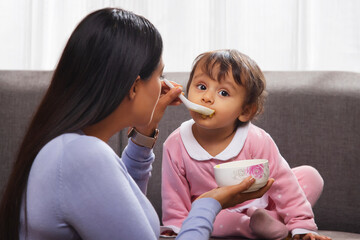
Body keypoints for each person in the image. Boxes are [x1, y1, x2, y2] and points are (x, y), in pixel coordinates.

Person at [0, 8, 274, 240]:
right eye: (159, 74)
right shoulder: (83, 156)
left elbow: (123, 207)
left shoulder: (72, 147)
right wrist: (208, 203)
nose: (166, 85)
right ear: (133, 87)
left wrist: (144, 135)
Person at [161, 49, 332, 240]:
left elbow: (283, 183)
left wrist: (302, 226)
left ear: (245, 111)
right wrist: (175, 226)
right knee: (210, 218)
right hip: (218, 211)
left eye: (223, 92)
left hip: (261, 201)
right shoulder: (175, 144)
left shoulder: (257, 139)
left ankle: (272, 220)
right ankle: (255, 227)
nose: (207, 97)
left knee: (310, 176)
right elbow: (174, 196)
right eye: (201, 86)